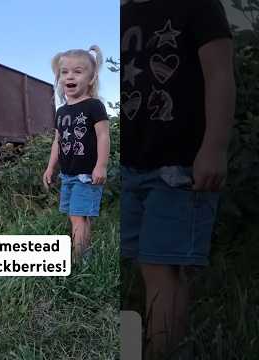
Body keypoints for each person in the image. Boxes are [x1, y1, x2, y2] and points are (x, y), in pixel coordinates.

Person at [120, 0, 236, 358]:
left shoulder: (197, 5)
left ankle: (159, 352)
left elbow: (220, 74)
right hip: (130, 166)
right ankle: (144, 345)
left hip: (178, 167)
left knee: (160, 264)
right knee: (142, 264)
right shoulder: (123, 14)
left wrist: (214, 147)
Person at [42, 46, 110, 263]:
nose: (70, 76)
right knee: (81, 216)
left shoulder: (94, 106)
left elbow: (103, 137)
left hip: (87, 175)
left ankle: (77, 260)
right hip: (67, 175)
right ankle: (86, 256)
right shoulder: (61, 111)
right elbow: (57, 141)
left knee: (76, 216)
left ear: (91, 79)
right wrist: (51, 167)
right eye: (65, 72)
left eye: (77, 71)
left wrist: (101, 165)